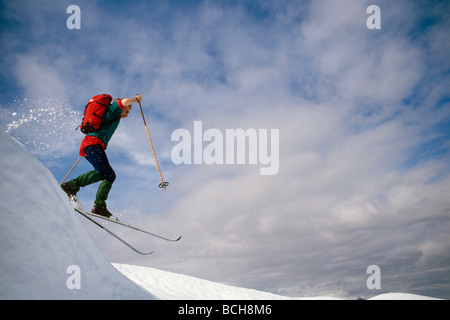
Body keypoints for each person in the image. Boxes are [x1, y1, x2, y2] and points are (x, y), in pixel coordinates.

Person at [61, 94, 142, 218]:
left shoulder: (112, 116)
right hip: (93, 144)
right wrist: (135, 100)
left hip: (91, 144)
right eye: (127, 111)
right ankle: (95, 204)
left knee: (104, 173)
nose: (126, 115)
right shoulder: (114, 110)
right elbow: (124, 102)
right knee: (108, 174)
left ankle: (74, 188)